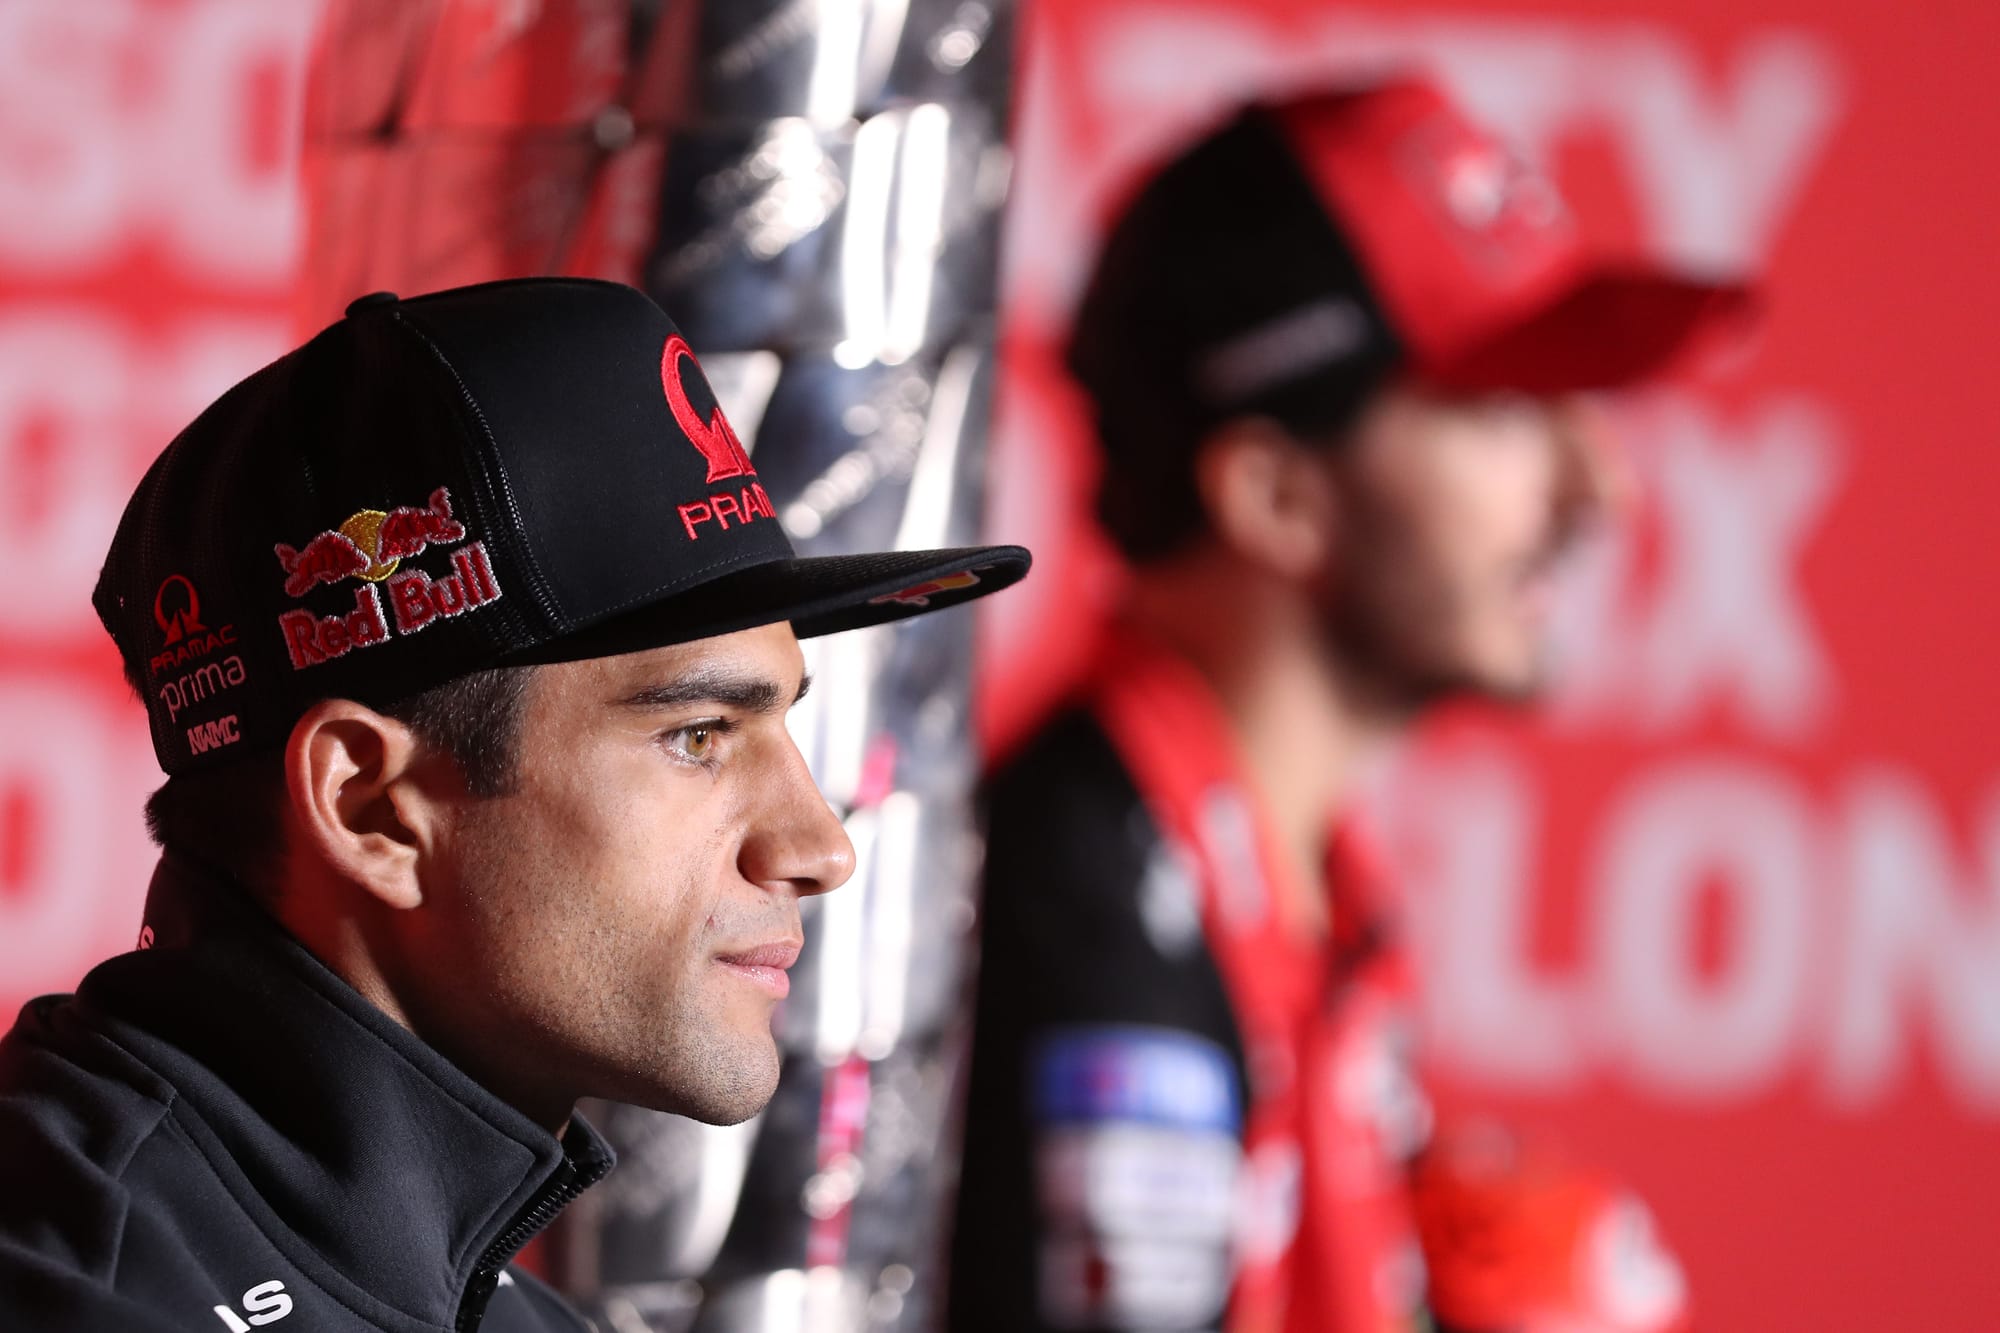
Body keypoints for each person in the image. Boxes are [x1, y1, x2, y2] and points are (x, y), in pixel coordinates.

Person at [0, 277, 1028, 1333]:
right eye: (698, 736)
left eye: (784, 729)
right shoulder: (74, 1284)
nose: (817, 848)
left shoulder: (496, 1308)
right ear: (372, 808)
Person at [946, 78, 1741, 1333]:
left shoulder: (1298, 879)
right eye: (1499, 410)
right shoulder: (1077, 894)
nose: (1598, 489)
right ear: (1271, 495)